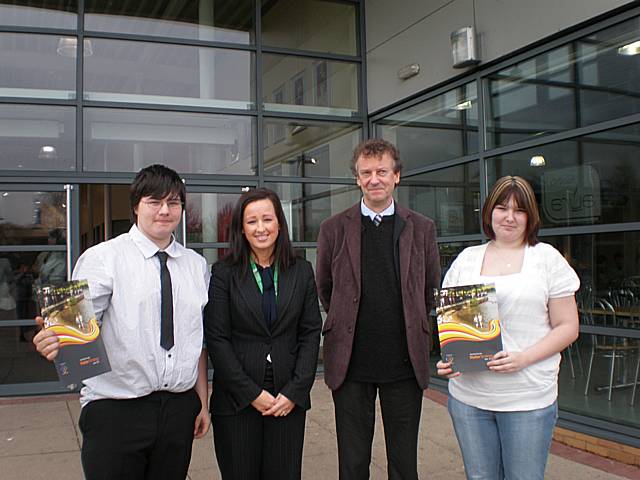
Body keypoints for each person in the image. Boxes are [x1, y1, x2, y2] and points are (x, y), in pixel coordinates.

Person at [33, 164, 211, 480]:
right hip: (116, 410)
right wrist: (55, 341)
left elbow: (196, 340)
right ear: (136, 206)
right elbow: (70, 339)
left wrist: (202, 402)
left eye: (173, 202)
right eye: (154, 202)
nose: (165, 211)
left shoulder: (196, 266)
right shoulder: (101, 258)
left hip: (178, 410)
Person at [436, 175, 580, 480]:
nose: (510, 217)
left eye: (519, 210)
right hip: (469, 399)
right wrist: (451, 361)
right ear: (489, 212)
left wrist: (523, 358)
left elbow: (568, 327)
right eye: (502, 208)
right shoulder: (466, 260)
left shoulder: (546, 259)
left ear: (531, 216)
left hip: (527, 397)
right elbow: (457, 329)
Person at [316, 138, 441, 479]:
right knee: (353, 465)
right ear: (357, 178)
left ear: (396, 176)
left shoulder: (422, 228)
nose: (374, 179)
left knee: (403, 464)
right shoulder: (333, 229)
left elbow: (430, 288)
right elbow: (325, 287)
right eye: (366, 172)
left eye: (382, 171)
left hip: (404, 362)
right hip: (352, 363)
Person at [204, 188, 322, 479]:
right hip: (237, 400)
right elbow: (217, 339)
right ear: (241, 229)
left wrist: (295, 391)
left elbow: (310, 332)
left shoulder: (302, 270)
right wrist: (251, 394)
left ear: (279, 224)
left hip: (287, 397)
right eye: (252, 221)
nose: (261, 228)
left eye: (267, 219)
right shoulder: (223, 273)